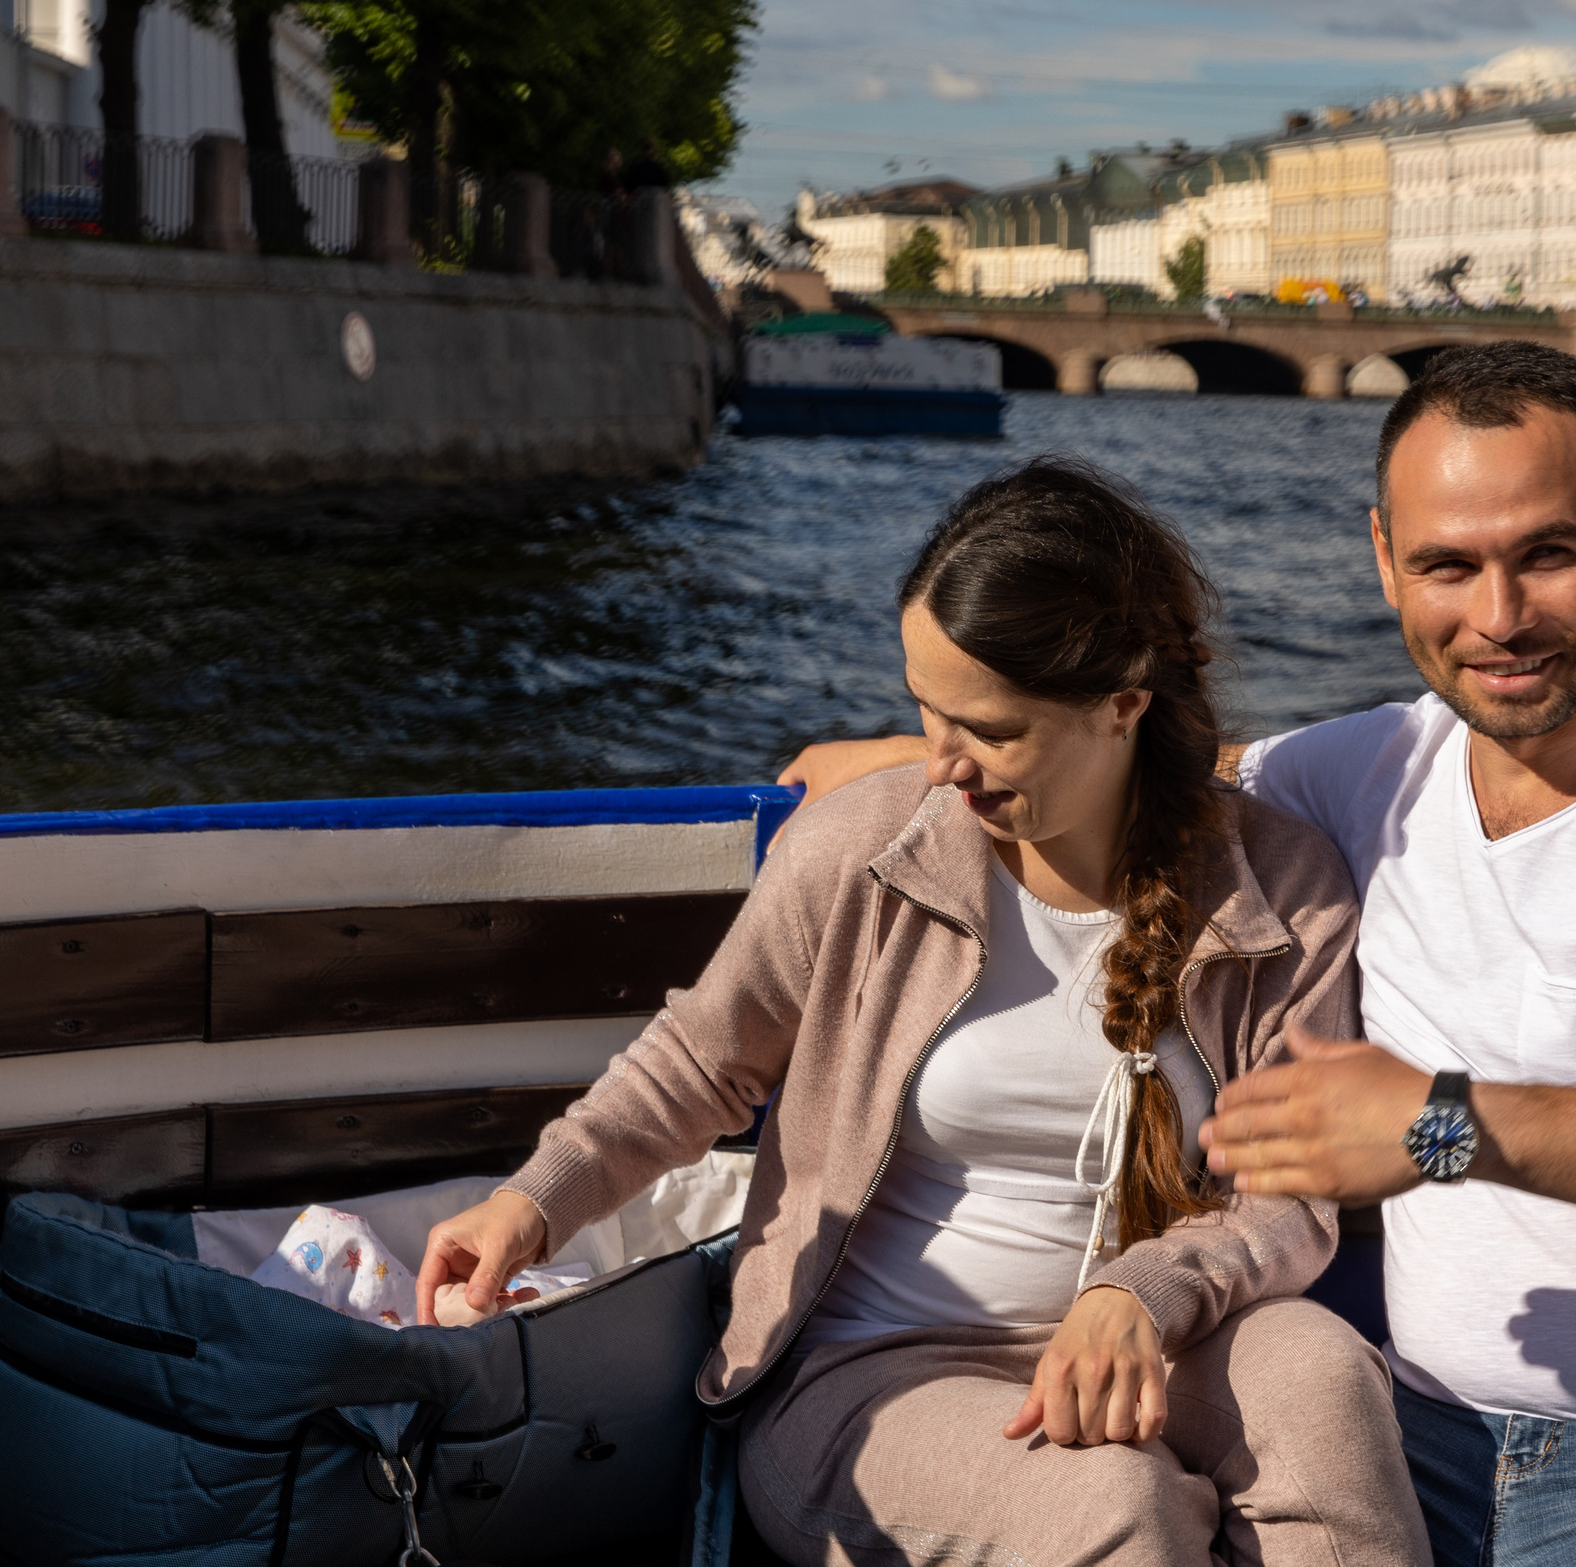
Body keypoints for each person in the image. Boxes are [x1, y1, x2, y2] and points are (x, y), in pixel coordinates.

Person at [783, 342, 1576, 1567]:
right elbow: (1134, 761)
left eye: (1549, 555)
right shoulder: (1364, 771)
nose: (1499, 616)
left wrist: (1438, 1125)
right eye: (1446, 567)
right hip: (1409, 1437)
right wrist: (918, 754)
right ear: (1382, 562)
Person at [422, 459, 1429, 1567]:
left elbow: (1289, 1201)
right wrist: (534, 1200)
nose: (941, 765)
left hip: (1160, 1339)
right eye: (925, 711)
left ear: (1123, 705)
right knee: (1119, 1508)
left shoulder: (1279, 893)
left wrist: (1138, 1293)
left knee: (1325, 1382)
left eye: (990, 731)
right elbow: (699, 1064)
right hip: (875, 1374)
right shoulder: (864, 851)